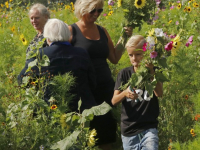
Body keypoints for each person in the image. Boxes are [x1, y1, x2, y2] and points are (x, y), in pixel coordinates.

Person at [68, 0, 132, 149]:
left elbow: (114, 57)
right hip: (83, 90)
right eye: (93, 10)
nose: (96, 14)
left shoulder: (102, 31)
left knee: (106, 131)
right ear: (83, 9)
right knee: (84, 132)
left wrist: (124, 38)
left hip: (105, 88)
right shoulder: (71, 31)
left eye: (100, 10)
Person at [18, 18, 97, 112]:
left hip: (52, 109)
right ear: (68, 35)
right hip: (82, 109)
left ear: (47, 37)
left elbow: (22, 80)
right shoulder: (81, 53)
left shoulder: (39, 55)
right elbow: (92, 82)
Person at [111, 35, 163, 150]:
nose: (134, 58)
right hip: (129, 131)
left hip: (148, 128)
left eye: (138, 54)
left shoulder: (154, 70)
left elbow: (159, 93)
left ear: (146, 52)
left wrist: (151, 71)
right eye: (130, 55)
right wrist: (125, 93)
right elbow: (114, 101)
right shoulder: (124, 74)